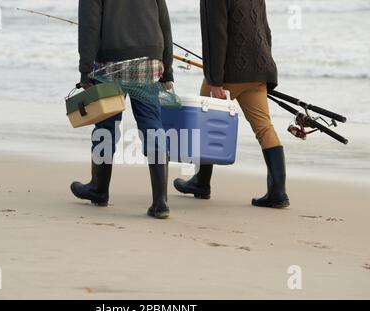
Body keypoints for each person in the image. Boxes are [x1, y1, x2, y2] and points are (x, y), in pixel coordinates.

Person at [174, 0, 290, 208]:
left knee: (202, 121)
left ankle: (201, 182)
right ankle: (278, 192)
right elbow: (265, 29)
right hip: (259, 68)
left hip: (230, 74)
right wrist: (265, 69)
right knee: (264, 127)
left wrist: (215, 80)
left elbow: (215, 35)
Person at [71, 0, 174, 219]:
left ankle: (99, 189)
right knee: (152, 125)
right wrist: (168, 69)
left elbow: (90, 24)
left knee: (106, 125)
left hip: (111, 60)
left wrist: (85, 70)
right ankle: (160, 202)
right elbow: (164, 20)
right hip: (150, 58)